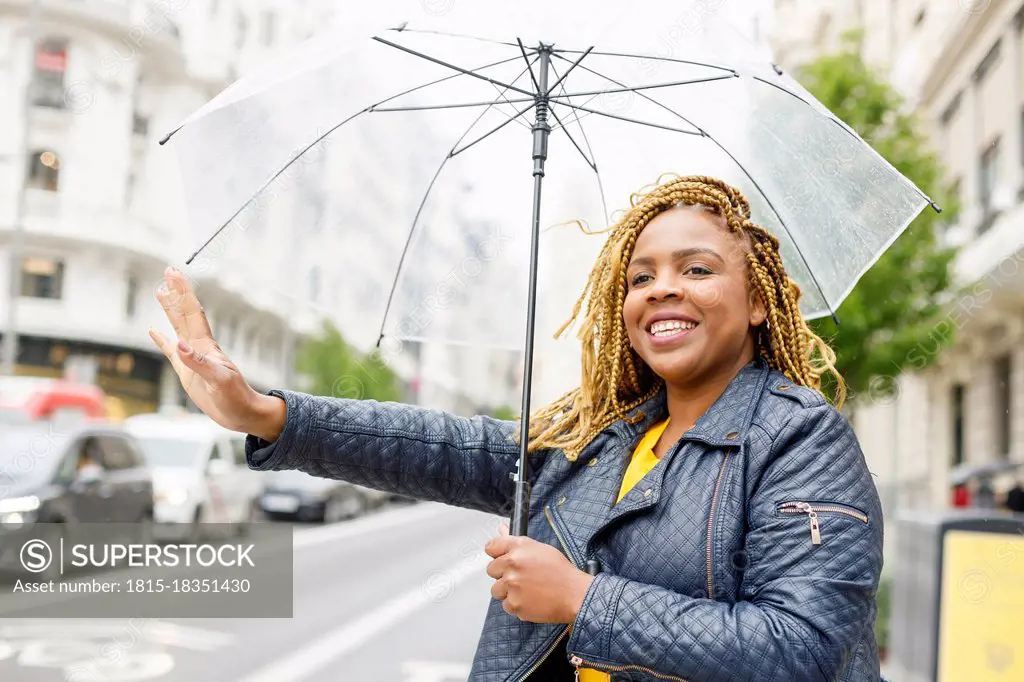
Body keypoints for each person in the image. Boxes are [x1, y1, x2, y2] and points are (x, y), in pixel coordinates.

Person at [149, 175, 884, 681]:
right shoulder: (601, 436)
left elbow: (803, 649)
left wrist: (581, 600)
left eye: (696, 269)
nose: (661, 287)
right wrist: (265, 413)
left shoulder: (801, 439)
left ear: (758, 303)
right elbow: (438, 448)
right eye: (640, 276)